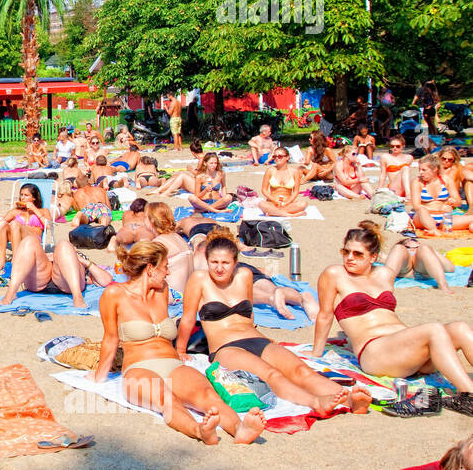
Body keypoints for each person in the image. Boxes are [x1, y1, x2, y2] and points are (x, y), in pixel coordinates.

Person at [90, 241, 266, 444]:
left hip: (172, 364)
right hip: (138, 368)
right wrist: (98, 379)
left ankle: (240, 429)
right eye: (165, 267)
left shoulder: (162, 290)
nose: (167, 273)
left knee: (209, 396)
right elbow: (110, 339)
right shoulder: (114, 294)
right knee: (166, 399)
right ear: (150, 269)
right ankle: (199, 431)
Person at [180, 229, 369, 415]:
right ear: (207, 261)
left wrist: (264, 339)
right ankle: (316, 402)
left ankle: (349, 398)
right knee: (272, 375)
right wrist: (180, 350)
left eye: (225, 263)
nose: (219, 268)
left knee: (301, 370)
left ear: (235, 262)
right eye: (214, 262)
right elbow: (188, 317)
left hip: (256, 339)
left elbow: (249, 316)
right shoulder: (199, 279)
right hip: (226, 348)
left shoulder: (244, 275)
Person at [313, 221, 473, 410]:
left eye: (357, 254)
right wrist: (316, 352)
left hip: (406, 351)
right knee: (434, 329)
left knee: (460, 327)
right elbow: (325, 315)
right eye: (346, 252)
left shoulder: (385, 274)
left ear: (373, 257)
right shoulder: (334, 273)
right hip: (375, 352)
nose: (349, 258)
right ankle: (468, 396)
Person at [0, 232, 113, 309]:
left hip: (67, 283)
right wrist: (46, 257)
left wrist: (84, 261)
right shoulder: (48, 256)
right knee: (29, 241)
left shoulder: (79, 257)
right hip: (41, 279)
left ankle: (77, 297)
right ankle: (10, 293)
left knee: (63, 245)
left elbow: (106, 281)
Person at [0, 182, 52, 264]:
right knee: (2, 223)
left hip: (33, 240)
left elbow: (49, 226)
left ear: (34, 198)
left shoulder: (43, 211)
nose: (22, 198)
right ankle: (1, 261)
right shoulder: (15, 211)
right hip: (16, 238)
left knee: (15, 224)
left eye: (26, 195)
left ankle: (16, 260)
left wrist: (34, 209)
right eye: (21, 195)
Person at [410, 154, 471, 233]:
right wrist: (436, 209)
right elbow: (416, 206)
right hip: (424, 217)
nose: (420, 172)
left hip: (444, 216)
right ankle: (433, 230)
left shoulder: (446, 180)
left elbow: (458, 202)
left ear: (435, 169)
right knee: (422, 210)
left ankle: (437, 229)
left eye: (424, 170)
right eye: (420, 169)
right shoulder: (417, 182)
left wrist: (453, 202)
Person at [257, 147, 310, 217]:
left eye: (280, 156)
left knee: (303, 204)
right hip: (273, 202)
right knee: (261, 204)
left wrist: (287, 202)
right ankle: (290, 215)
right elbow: (264, 190)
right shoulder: (270, 170)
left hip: (287, 203)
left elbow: (295, 191)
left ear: (287, 157)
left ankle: (274, 213)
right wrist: (275, 201)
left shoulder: (294, 172)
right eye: (274, 156)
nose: (277, 158)